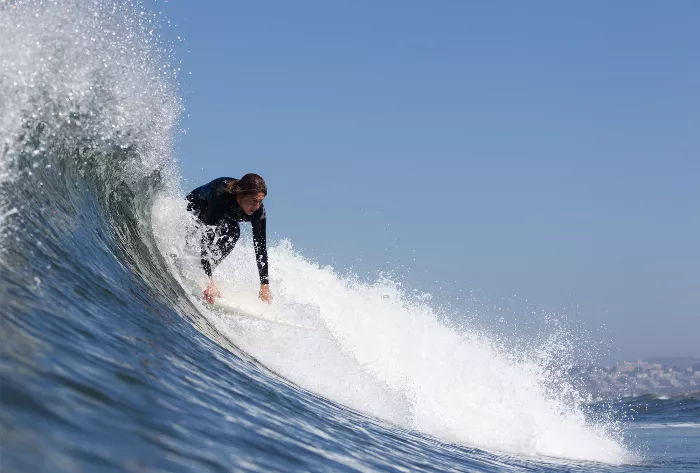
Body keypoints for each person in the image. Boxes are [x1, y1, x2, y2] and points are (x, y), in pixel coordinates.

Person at [185, 173, 271, 304]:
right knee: (193, 238)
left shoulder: (258, 212)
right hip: (197, 206)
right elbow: (207, 238)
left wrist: (264, 285)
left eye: (261, 201)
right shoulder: (220, 194)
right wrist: (209, 281)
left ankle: (205, 273)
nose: (257, 206)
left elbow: (260, 248)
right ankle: (207, 278)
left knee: (233, 234)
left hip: (224, 216)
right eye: (254, 200)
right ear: (241, 195)